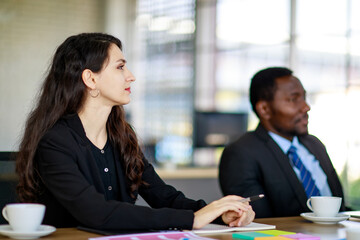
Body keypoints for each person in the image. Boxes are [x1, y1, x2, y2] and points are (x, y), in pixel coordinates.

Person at [15, 33, 255, 231]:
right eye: (120, 67)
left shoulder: (122, 134)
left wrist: (218, 213)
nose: (131, 76)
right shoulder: (55, 141)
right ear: (90, 78)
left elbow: (165, 197)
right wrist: (194, 219)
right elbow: (97, 214)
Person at [219, 67, 346, 218]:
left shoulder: (314, 144)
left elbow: (340, 211)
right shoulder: (241, 154)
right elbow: (257, 221)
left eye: (304, 98)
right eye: (293, 99)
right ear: (265, 109)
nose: (306, 107)